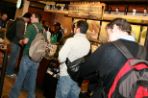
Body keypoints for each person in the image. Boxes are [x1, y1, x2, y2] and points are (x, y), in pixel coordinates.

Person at [73, 18, 148, 97]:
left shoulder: (108, 48)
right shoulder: (144, 51)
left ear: (115, 27)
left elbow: (84, 71)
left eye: (108, 34)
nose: (108, 39)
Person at [9, 13, 43, 98]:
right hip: (37, 58)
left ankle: (13, 95)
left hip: (28, 56)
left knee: (20, 77)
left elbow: (26, 41)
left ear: (36, 18)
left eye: (32, 16)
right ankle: (31, 96)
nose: (31, 17)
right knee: (32, 79)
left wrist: (21, 41)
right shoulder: (43, 29)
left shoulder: (31, 27)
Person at [55, 20, 90, 98]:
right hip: (78, 78)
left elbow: (61, 58)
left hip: (66, 75)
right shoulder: (88, 44)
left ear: (77, 29)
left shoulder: (71, 41)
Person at [6, 12, 32, 77]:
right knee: (13, 59)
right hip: (16, 43)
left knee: (12, 58)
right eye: (29, 19)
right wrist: (24, 39)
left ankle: (7, 71)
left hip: (14, 42)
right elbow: (19, 35)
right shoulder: (21, 23)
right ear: (27, 18)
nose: (29, 21)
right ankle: (9, 72)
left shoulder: (19, 20)